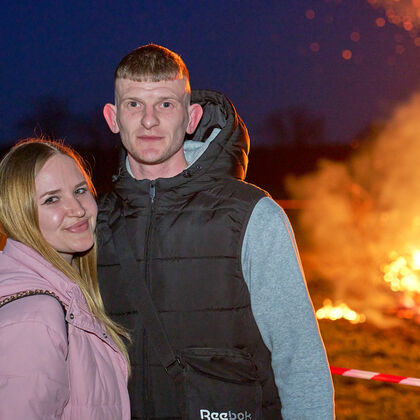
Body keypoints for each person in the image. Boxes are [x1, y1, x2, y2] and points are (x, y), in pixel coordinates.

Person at [98, 44, 334, 419]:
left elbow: (299, 356)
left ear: (191, 117)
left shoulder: (252, 214)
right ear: (113, 117)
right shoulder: (92, 221)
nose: (148, 120)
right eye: (134, 104)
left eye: (165, 104)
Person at [0, 139, 130, 419]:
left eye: (80, 190)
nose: (78, 209)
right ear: (19, 214)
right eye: (52, 199)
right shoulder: (35, 317)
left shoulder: (65, 297)